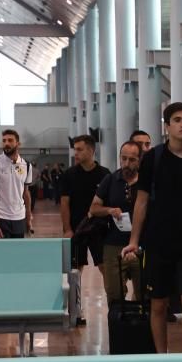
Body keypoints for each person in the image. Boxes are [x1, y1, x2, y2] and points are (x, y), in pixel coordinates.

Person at [121, 102, 182, 353]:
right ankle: (161, 357)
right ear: (167, 126)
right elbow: (141, 202)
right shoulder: (154, 158)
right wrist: (134, 240)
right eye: (177, 120)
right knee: (159, 305)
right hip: (158, 243)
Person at [60, 135, 111, 324]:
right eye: (75, 149)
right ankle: (76, 311)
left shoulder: (105, 174)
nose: (76, 153)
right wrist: (67, 229)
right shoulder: (69, 175)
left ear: (91, 150)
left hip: (99, 229)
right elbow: (64, 203)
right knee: (75, 270)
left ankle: (113, 307)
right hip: (77, 230)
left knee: (105, 268)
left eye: (80, 149)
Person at [90, 141, 143, 305]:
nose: (127, 164)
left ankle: (143, 327)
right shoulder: (110, 180)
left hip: (142, 245)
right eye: (124, 158)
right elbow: (94, 208)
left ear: (140, 160)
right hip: (114, 246)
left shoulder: (147, 182)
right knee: (114, 294)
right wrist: (109, 210)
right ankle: (117, 327)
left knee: (146, 294)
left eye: (132, 160)